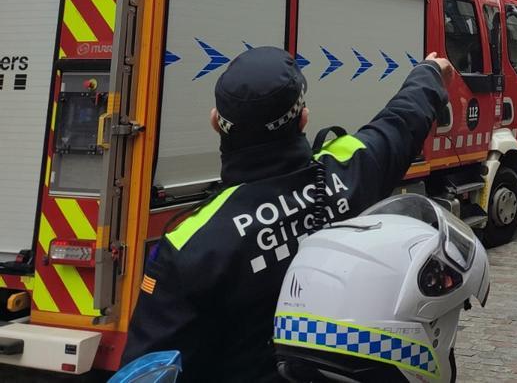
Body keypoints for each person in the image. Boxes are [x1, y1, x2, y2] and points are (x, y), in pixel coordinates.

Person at [122, 47, 449, 380]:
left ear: (215, 122)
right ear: (303, 118)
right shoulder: (349, 171)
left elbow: (148, 369)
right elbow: (400, 121)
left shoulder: (192, 244)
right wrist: (430, 72)